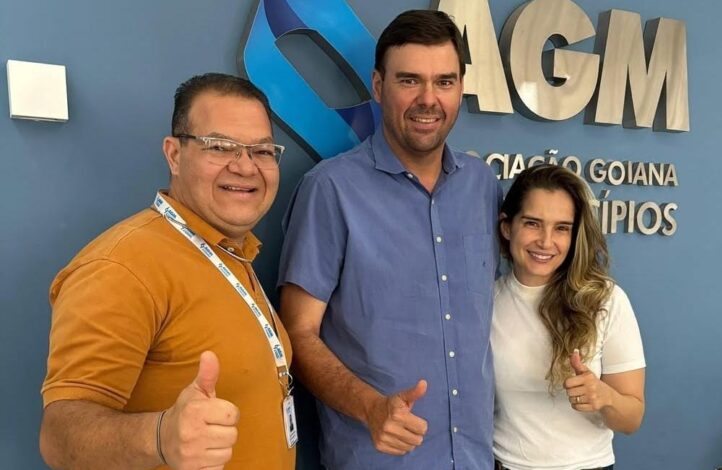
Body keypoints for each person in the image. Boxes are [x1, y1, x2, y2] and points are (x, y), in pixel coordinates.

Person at [277, 9, 502, 470]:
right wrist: (371, 408)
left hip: (474, 459)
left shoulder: (483, 185)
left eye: (444, 81)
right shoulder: (331, 190)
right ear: (379, 86)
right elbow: (297, 333)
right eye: (409, 81)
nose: (428, 99)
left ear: (461, 87)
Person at [39, 73, 296, 470]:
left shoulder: (233, 251)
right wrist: (159, 437)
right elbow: (58, 437)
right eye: (220, 146)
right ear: (174, 155)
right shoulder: (121, 266)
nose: (246, 167)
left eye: (261, 151)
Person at [492, 164, 646, 470]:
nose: (546, 241)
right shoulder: (485, 302)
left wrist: (605, 397)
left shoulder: (606, 300)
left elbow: (631, 420)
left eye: (562, 228)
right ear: (507, 227)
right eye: (533, 223)